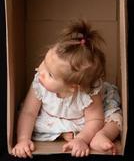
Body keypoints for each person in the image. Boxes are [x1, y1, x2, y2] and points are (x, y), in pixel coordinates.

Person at [12, 21, 122, 158]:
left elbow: (95, 120)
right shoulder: (39, 82)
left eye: (50, 74)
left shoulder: (89, 93)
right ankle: (63, 132)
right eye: (44, 63)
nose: (41, 71)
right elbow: (28, 112)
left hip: (87, 122)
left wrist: (82, 140)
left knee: (115, 118)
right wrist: (23, 140)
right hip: (51, 118)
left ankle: (101, 136)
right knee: (28, 123)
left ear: (73, 88)